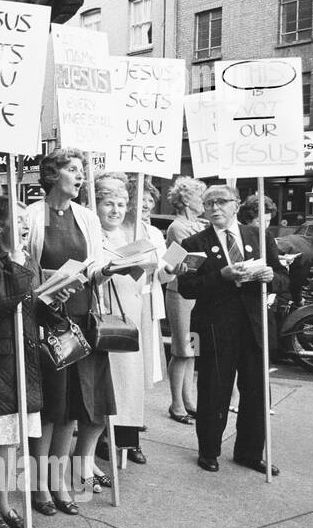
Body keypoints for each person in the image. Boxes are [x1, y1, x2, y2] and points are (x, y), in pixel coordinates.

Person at [25, 149, 115, 516]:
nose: (80, 177)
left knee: (73, 405)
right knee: (49, 406)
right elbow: (23, 265)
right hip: (44, 316)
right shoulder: (30, 216)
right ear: (52, 174)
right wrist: (45, 283)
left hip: (79, 317)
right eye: (73, 170)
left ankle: (59, 480)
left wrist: (106, 271)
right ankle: (38, 484)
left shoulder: (88, 217)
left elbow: (94, 263)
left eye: (82, 171)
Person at [178, 185, 289, 475]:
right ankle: (209, 450)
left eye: (222, 202)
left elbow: (283, 276)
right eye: (209, 203)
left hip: (254, 325)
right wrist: (221, 276)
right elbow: (187, 288)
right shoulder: (193, 242)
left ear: (236, 204)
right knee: (214, 389)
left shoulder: (259, 236)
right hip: (214, 326)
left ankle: (250, 452)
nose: (215, 208)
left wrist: (270, 277)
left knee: (255, 392)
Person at [0, 197, 55, 528]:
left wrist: (54, 300)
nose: (24, 225)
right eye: (17, 220)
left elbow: (31, 303)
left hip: (24, 354)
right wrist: (19, 271)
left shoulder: (25, 258)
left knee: (12, 438)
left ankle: (3, 501)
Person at [88, 173, 175, 485]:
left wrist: (167, 268)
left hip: (133, 315)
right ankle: (97, 447)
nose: (116, 210)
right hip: (104, 316)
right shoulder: (91, 233)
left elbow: (153, 276)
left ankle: (123, 441)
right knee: (105, 385)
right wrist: (109, 269)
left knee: (128, 384)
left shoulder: (134, 235)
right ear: (95, 205)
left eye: (122, 204)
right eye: (109, 203)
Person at [163, 177, 206, 424]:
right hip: (180, 292)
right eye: (200, 197)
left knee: (192, 349)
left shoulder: (196, 225)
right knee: (181, 350)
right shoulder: (178, 227)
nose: (204, 203)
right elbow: (173, 261)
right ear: (187, 200)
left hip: (195, 294)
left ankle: (188, 400)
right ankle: (176, 403)